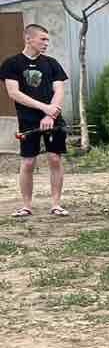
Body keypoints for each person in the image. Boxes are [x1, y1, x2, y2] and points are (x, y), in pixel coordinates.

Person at [2, 23, 70, 217]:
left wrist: (50, 114)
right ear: (28, 38)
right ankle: (26, 206)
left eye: (47, 39)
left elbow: (59, 90)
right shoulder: (12, 64)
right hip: (28, 120)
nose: (46, 43)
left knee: (54, 158)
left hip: (52, 118)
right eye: (42, 39)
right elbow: (14, 93)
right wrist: (43, 108)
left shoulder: (52, 63)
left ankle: (56, 204)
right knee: (28, 162)